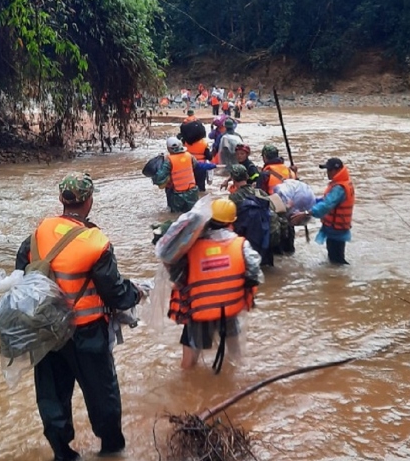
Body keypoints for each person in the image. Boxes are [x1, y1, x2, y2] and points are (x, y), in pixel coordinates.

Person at [14, 173, 145, 461]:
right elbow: (114, 293)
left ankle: (63, 453)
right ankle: (111, 450)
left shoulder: (38, 233)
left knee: (51, 395)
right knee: (102, 395)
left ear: (62, 201)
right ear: (89, 202)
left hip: (47, 332)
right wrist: (136, 294)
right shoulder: (95, 242)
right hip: (87, 333)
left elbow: (23, 276)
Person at [167, 198, 263, 371]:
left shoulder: (190, 247)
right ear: (231, 222)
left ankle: (186, 389)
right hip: (228, 309)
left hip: (199, 310)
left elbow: (177, 276)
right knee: (236, 356)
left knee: (189, 364)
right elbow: (254, 274)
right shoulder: (241, 245)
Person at [290, 158, 355, 265]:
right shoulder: (342, 183)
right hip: (336, 228)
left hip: (336, 229)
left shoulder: (339, 188)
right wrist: (309, 201)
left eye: (329, 170)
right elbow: (325, 200)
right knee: (334, 258)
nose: (327, 173)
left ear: (336, 170)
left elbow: (326, 205)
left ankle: (337, 279)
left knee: (336, 260)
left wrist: (307, 213)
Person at [228, 165, 280, 267]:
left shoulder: (233, 197)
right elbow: (273, 210)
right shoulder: (260, 192)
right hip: (266, 236)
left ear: (233, 179)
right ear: (247, 177)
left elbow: (231, 219)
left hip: (249, 239)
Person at [154, 137, 203, 213]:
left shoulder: (168, 160)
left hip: (177, 195)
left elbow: (159, 178)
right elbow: (195, 166)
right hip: (192, 192)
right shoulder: (189, 156)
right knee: (193, 213)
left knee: (176, 217)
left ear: (168, 148)